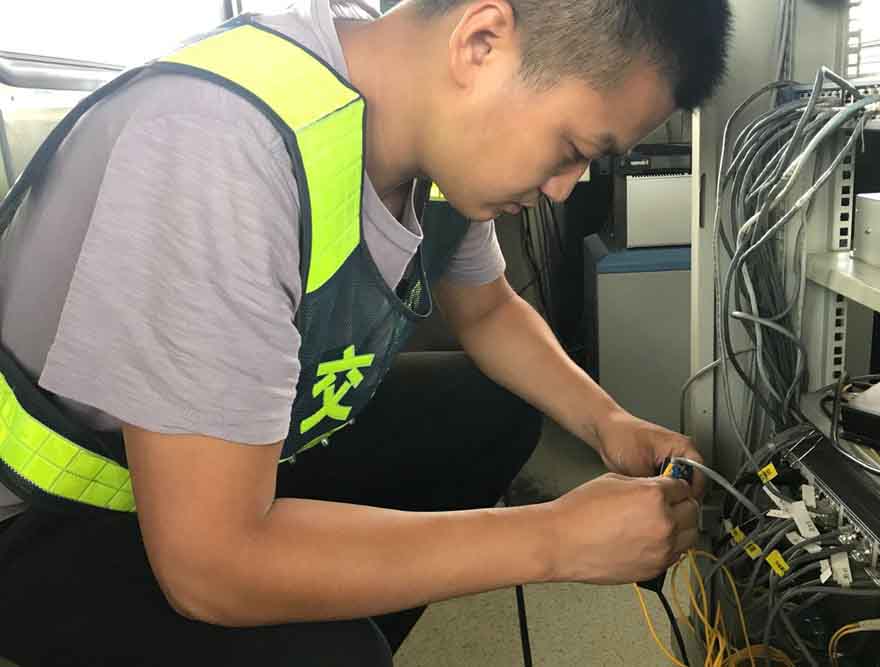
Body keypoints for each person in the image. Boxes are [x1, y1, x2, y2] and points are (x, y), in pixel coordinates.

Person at [0, 0, 731, 664]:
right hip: (46, 511)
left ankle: (325, 598)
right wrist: (553, 540)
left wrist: (608, 422)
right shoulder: (219, 144)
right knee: (330, 655)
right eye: (572, 148)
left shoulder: (421, 121)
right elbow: (208, 565)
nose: (563, 189)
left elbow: (487, 309)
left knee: (491, 412)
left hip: (210, 461)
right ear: (481, 42)